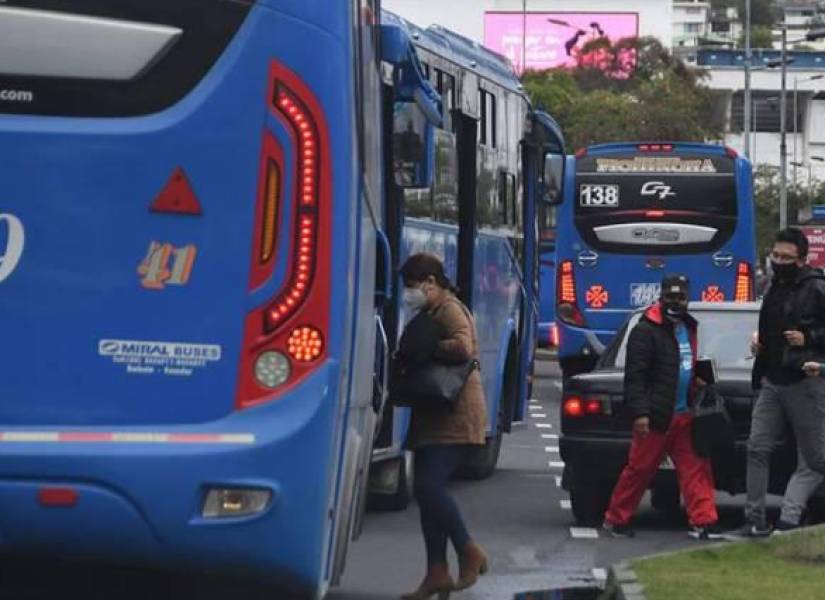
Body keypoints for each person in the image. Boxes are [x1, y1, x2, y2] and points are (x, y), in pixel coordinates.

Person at [396, 253, 488, 600]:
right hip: (435, 412)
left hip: (455, 412)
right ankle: (436, 572)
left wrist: (429, 347)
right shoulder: (431, 311)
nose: (409, 293)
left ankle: (468, 550)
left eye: (413, 286)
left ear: (431, 283)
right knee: (425, 490)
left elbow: (463, 347)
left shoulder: (449, 308)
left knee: (430, 487)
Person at [602, 273, 721, 540]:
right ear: (661, 296)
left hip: (685, 414)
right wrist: (641, 413)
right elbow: (635, 376)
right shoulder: (645, 330)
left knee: (696, 468)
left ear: (688, 299)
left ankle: (704, 521)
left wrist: (697, 381)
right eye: (670, 297)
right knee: (639, 470)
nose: (675, 302)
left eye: (680, 297)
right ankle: (615, 519)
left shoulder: (688, 326)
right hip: (657, 415)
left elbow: (683, 362)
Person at [726, 228, 825, 539]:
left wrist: (808, 338)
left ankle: (789, 519)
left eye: (785, 257)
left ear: (801, 259)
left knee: (814, 458)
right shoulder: (772, 286)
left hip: (803, 380)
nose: (778, 261)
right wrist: (761, 344)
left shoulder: (816, 287)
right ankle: (755, 519)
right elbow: (771, 326)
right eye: (775, 255)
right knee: (756, 446)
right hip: (771, 378)